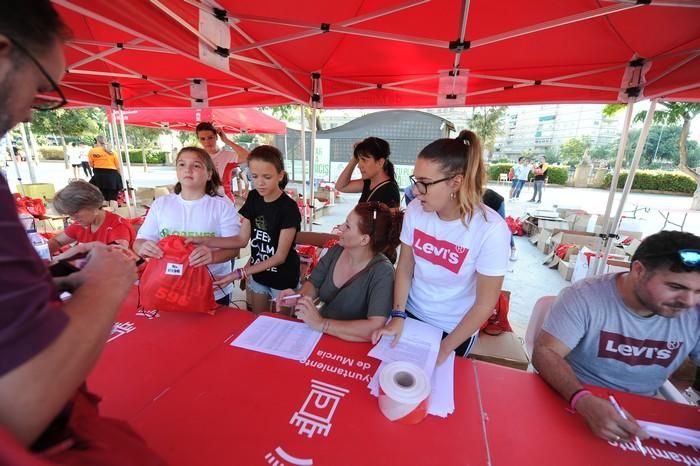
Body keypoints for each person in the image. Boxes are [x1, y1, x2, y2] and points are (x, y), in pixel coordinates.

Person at [0, 2, 163, 463]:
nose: (33, 113)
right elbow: (23, 402)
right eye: (40, 88)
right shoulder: (82, 227)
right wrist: (107, 281)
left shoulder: (112, 223)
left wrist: (51, 274)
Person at [532, 231, 700, 443]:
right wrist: (582, 399)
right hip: (572, 399)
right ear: (639, 270)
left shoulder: (695, 314)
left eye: (698, 291)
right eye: (676, 287)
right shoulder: (585, 297)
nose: (689, 301)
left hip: (643, 415)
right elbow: (545, 353)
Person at [372, 130, 511, 365]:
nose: (416, 191)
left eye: (425, 184)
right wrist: (397, 314)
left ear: (456, 182)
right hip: (409, 313)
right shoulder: (417, 210)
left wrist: (445, 349)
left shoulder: (491, 230)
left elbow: (484, 304)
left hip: (454, 329)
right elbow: (405, 267)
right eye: (416, 181)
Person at [189, 145, 301, 313]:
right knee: (259, 319)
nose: (260, 183)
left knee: (282, 325)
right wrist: (204, 241)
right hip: (258, 274)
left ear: (280, 175)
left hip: (283, 278)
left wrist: (239, 273)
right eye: (254, 176)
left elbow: (279, 257)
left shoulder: (289, 208)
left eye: (267, 177)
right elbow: (241, 240)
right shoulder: (254, 197)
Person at [277, 202, 402, 341]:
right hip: (320, 335)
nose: (340, 227)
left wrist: (322, 324)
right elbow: (314, 284)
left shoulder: (382, 272)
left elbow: (374, 327)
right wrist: (298, 297)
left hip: (350, 347)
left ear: (364, 239)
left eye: (347, 226)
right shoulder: (336, 251)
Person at [134, 147, 241, 306]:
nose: (188, 170)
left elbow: (234, 248)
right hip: (167, 286)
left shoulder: (222, 206)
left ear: (209, 173)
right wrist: (143, 247)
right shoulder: (161, 204)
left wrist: (212, 257)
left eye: (196, 165)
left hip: (213, 289)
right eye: (182, 164)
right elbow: (139, 242)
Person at [48, 180, 135, 259]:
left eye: (75, 212)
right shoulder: (81, 224)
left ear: (92, 206)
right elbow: (57, 242)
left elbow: (114, 261)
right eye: (69, 214)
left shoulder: (118, 227)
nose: (72, 218)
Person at [335, 136, 400, 207]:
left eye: (364, 160)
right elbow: (341, 186)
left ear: (380, 162)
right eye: (358, 160)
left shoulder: (389, 192)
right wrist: (354, 159)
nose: (359, 166)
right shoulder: (369, 182)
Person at [196, 121, 249, 200]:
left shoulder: (227, 155)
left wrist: (227, 141)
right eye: (202, 139)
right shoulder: (196, 157)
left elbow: (248, 157)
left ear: (217, 137)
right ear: (199, 139)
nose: (207, 142)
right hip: (202, 200)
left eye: (210, 137)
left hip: (224, 200)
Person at [88, 135, 123, 209]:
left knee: (103, 197)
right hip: (112, 175)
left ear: (97, 141)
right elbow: (118, 167)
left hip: (99, 176)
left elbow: (91, 165)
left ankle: (106, 215)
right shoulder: (112, 151)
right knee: (113, 197)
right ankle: (115, 215)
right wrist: (121, 177)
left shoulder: (92, 151)